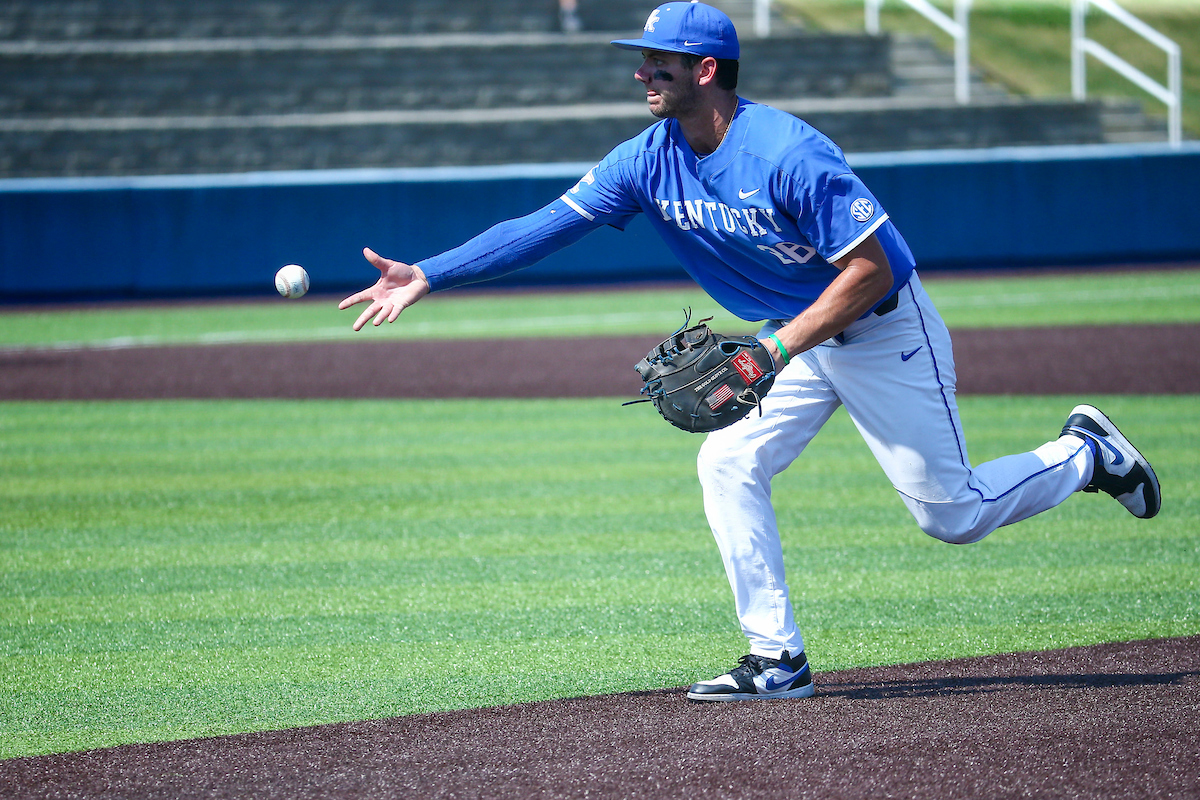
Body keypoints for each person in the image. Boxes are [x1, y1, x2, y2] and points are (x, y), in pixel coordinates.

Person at [339, 2, 1161, 702]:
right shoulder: (645, 157)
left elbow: (872, 271)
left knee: (951, 515)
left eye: (658, 61)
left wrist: (773, 350)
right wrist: (431, 273)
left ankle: (1085, 455)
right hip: (796, 340)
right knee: (726, 464)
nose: (641, 74)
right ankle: (778, 658)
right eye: (643, 61)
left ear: (705, 70)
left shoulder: (787, 153)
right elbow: (547, 225)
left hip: (881, 331)